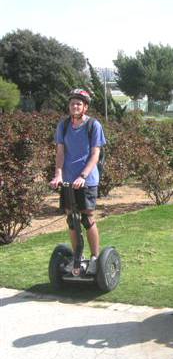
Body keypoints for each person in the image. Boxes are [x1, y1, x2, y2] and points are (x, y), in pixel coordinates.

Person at [49, 89, 106, 275]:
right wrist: (58, 174)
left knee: (87, 218)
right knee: (71, 220)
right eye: (73, 103)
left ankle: (96, 257)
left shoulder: (93, 125)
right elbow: (60, 153)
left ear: (85, 107)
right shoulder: (63, 126)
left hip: (87, 180)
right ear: (69, 106)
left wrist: (82, 176)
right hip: (67, 180)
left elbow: (95, 154)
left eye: (79, 104)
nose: (75, 106)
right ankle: (77, 257)